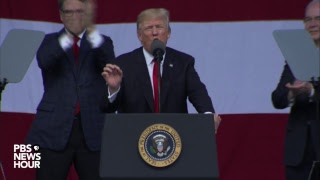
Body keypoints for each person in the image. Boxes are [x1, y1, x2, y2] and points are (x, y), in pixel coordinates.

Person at [25, 0, 115, 179]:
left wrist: (90, 32)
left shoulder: (102, 42)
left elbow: (108, 63)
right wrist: (69, 37)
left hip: (93, 130)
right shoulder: (48, 41)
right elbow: (45, 61)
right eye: (69, 12)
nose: (74, 17)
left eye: (80, 12)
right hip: (52, 130)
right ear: (61, 15)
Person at [101, 8, 221, 131]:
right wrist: (114, 89)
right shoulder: (123, 64)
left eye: (159, 27)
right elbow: (107, 108)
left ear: (168, 33)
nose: (154, 32)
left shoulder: (183, 62)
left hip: (174, 136)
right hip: (134, 136)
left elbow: (198, 92)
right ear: (139, 36)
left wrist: (208, 115)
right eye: (148, 28)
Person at [271, 0, 320, 179]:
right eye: (308, 20)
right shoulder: (295, 55)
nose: (312, 24)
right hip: (299, 154)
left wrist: (312, 91)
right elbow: (277, 99)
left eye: (318, 18)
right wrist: (292, 93)